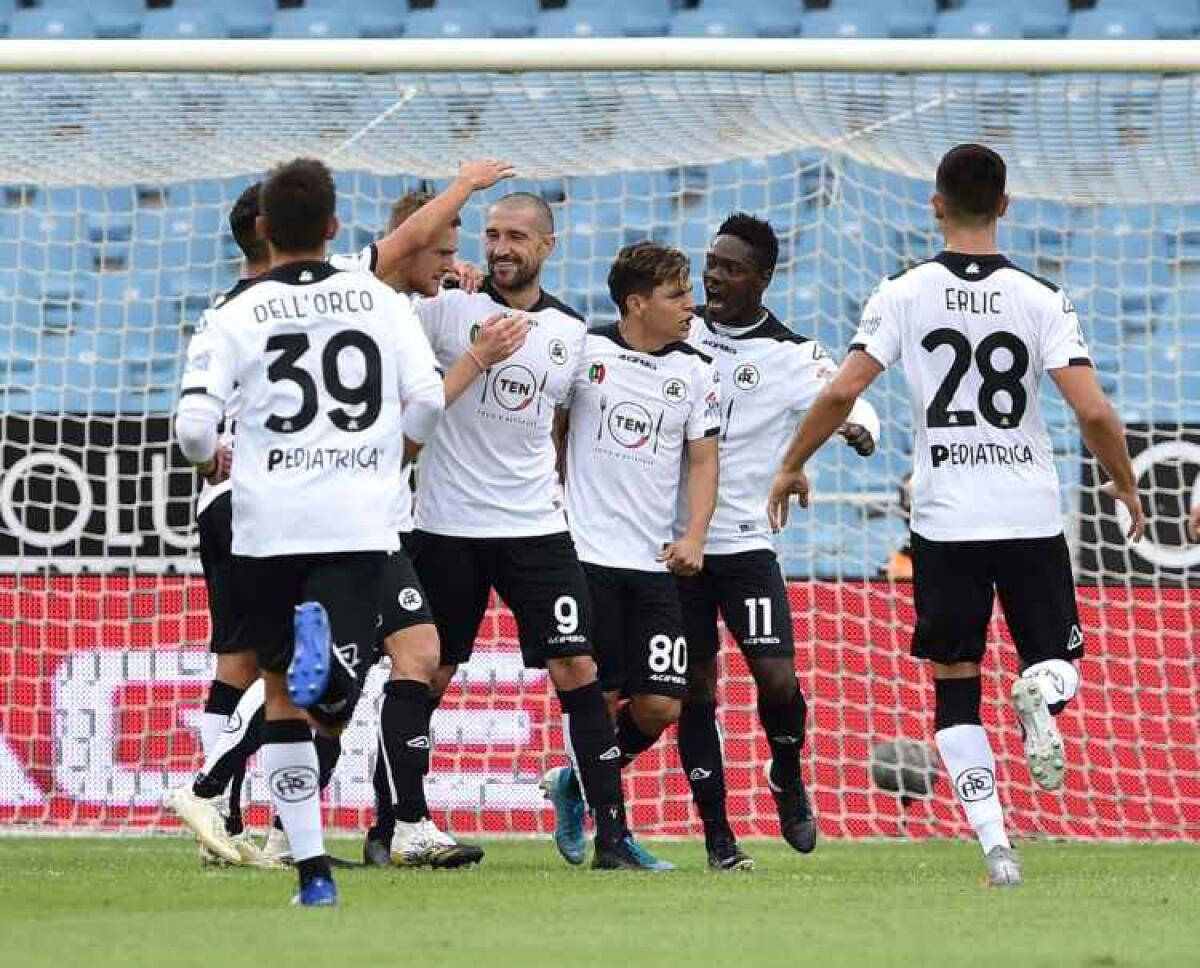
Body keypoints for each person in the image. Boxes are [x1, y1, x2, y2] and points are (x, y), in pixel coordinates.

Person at [767, 144, 1144, 887]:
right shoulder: (1042, 297)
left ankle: (997, 847)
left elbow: (842, 393)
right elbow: (1094, 412)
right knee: (1057, 662)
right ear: (1006, 206)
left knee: (955, 685)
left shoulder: (902, 291)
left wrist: (792, 461)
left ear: (935, 203)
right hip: (1028, 512)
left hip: (945, 519)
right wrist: (1125, 483)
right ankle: (1041, 692)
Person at [170, 169, 524, 869]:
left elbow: (193, 428)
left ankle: (286, 827)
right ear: (334, 229)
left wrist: (211, 452)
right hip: (342, 516)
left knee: (291, 670)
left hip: (271, 513)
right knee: (312, 678)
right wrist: (467, 186)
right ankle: (222, 790)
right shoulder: (362, 293)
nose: (449, 260)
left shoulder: (238, 310)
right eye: (438, 248)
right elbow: (421, 400)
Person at [408, 192, 655, 869]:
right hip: (446, 525)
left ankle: (614, 838)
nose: (501, 248)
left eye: (516, 235)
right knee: (426, 674)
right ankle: (393, 823)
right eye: (491, 235)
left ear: (547, 246)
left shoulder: (572, 334)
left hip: (534, 528)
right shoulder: (446, 307)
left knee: (580, 668)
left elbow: (571, 427)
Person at [543, 242, 720, 870]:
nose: (691, 306)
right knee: (596, 693)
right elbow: (555, 435)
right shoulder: (587, 351)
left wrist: (695, 534)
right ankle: (611, 836)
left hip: (654, 564)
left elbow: (702, 459)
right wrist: (554, 509)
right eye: (677, 295)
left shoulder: (697, 371)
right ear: (636, 302)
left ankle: (574, 781)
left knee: (661, 705)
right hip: (586, 558)